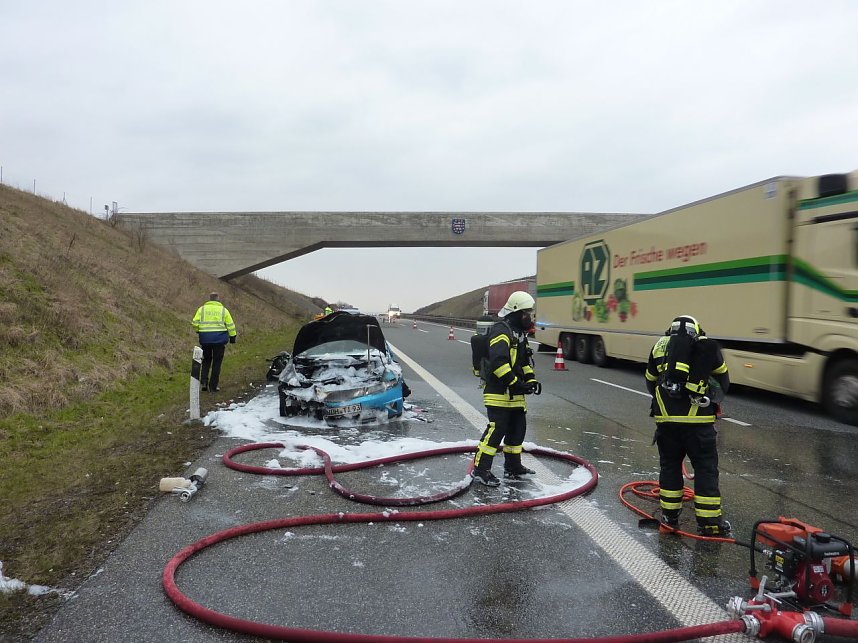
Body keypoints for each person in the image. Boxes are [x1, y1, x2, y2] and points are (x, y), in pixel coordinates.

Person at [645, 314, 730, 536]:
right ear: (698, 331)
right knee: (705, 469)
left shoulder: (659, 346)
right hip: (699, 424)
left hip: (667, 422)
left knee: (670, 466)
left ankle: (669, 517)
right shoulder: (706, 347)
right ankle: (709, 523)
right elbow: (723, 382)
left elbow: (649, 381)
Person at [471, 291, 541, 486]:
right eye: (528, 313)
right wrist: (515, 383)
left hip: (515, 394)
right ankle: (481, 470)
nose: (530, 317)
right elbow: (499, 363)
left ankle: (512, 467)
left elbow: (523, 362)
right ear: (517, 312)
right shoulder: (501, 332)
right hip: (498, 393)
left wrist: (531, 380)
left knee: (517, 430)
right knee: (497, 430)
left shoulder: (519, 335)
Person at [191, 292, 237, 393]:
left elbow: (194, 322)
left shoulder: (201, 309)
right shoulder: (223, 310)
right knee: (217, 363)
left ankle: (204, 382)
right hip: (219, 340)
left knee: (206, 360)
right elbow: (230, 325)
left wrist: (198, 330)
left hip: (205, 339)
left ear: (209, 299)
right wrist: (233, 337)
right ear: (218, 299)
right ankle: (213, 386)